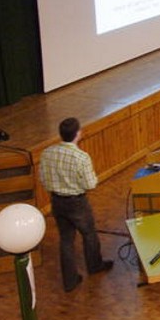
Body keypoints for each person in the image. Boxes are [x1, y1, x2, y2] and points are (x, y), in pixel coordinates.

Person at [39, 117, 113, 292]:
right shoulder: (81, 157)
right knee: (89, 234)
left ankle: (70, 280)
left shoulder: (47, 153)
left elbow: (43, 179)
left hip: (56, 201)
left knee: (66, 240)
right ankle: (94, 266)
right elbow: (90, 184)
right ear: (78, 134)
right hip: (77, 202)